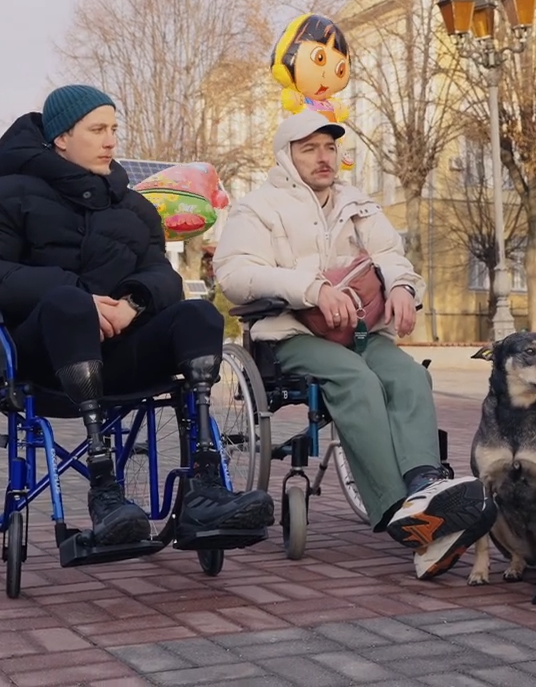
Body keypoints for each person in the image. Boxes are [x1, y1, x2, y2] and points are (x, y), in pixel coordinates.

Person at [0, 84, 275, 552]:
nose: (111, 141)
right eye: (98, 129)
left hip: (121, 351)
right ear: (60, 137)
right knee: (69, 303)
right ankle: (104, 492)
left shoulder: (134, 207)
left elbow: (161, 274)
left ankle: (204, 490)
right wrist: (74, 291)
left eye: (114, 129)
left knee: (197, 314)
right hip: (40, 356)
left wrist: (133, 303)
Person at [212, 110, 497, 579]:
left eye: (330, 147)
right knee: (357, 381)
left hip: (361, 330)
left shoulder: (358, 203)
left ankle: (424, 482)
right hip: (290, 332)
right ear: (287, 157)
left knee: (408, 375)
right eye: (310, 149)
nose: (324, 158)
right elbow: (235, 274)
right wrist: (311, 288)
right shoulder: (257, 207)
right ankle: (398, 510)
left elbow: (391, 258)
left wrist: (404, 289)